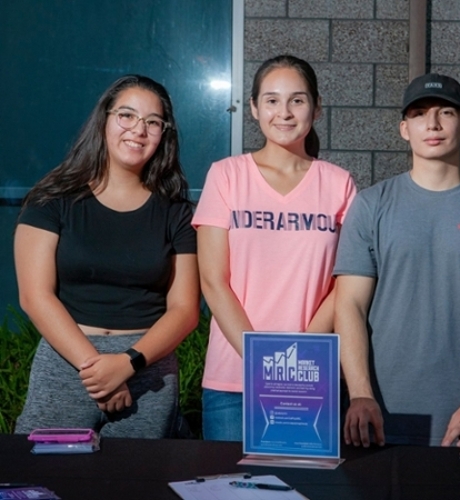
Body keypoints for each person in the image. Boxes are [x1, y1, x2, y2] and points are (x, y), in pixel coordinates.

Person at [334, 73, 460, 447]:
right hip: (378, 420)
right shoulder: (370, 206)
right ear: (404, 129)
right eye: (419, 113)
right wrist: (361, 394)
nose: (433, 123)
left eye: (446, 112)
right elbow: (349, 304)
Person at [14, 75, 200, 438]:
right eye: (126, 115)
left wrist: (127, 363)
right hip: (67, 361)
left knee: (137, 482)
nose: (139, 130)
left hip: (148, 369)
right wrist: (97, 370)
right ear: (104, 120)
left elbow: (185, 310)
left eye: (152, 122)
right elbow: (35, 297)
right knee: (42, 478)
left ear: (164, 134)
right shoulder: (52, 199)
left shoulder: (177, 212)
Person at [193, 55, 357, 442]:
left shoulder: (339, 184)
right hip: (233, 381)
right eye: (271, 100)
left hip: (307, 377)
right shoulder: (226, 175)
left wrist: (297, 359)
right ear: (253, 108)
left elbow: (346, 283)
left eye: (297, 101)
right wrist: (260, 363)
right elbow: (213, 282)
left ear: (316, 109)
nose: (284, 112)